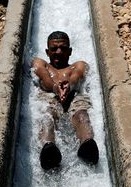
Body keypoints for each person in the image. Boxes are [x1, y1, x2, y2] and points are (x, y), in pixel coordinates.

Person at [31, 31, 98, 169]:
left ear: (70, 51)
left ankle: (87, 145)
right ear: (47, 51)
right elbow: (45, 78)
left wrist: (69, 86)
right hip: (49, 96)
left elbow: (77, 76)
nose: (59, 52)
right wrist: (56, 88)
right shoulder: (41, 63)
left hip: (74, 96)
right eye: (54, 49)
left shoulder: (78, 65)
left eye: (63, 48)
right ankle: (48, 148)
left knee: (81, 115)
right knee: (47, 116)